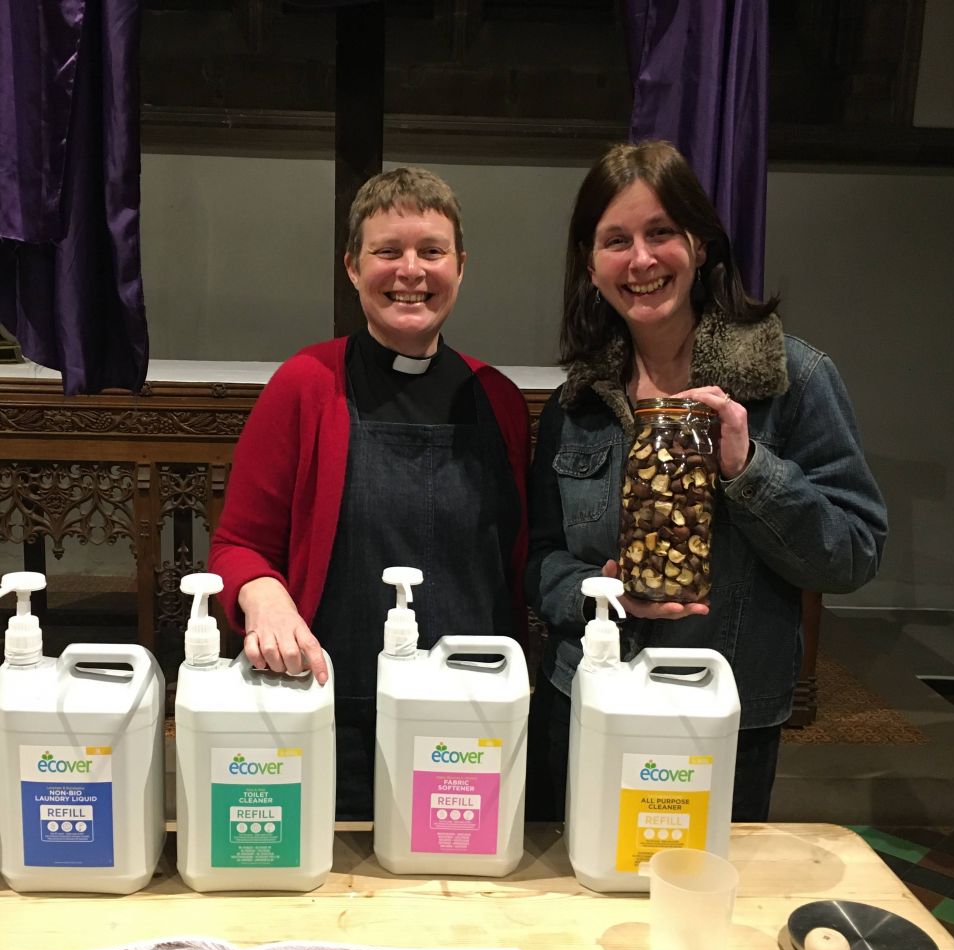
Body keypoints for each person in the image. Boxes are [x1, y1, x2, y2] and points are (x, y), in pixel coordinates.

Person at [525, 141, 887, 821]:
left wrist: (750, 471)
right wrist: (597, 590)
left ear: (700, 244)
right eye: (615, 240)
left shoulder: (794, 381)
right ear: (590, 263)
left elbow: (854, 552)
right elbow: (539, 559)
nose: (641, 260)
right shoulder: (578, 403)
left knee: (698, 912)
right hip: (589, 700)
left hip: (723, 717)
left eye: (661, 232)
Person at [209, 167, 529, 820]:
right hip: (334, 714)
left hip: (470, 724)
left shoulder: (497, 400)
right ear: (353, 266)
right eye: (388, 251)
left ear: (460, 266)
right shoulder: (304, 385)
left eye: (431, 251)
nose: (410, 270)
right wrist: (260, 592)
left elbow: (517, 566)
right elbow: (237, 543)